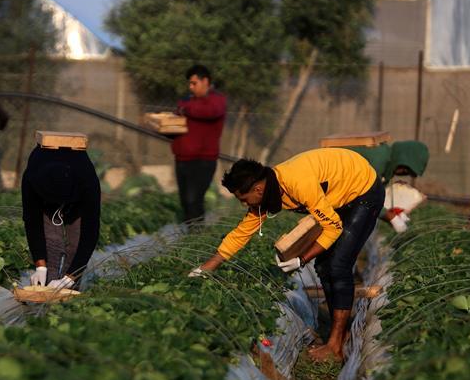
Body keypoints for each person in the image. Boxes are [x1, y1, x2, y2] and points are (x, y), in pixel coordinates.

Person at [189, 148, 384, 363]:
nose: (244, 205)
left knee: (338, 265)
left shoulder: (297, 183)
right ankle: (340, 334)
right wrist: (206, 268)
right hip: (338, 196)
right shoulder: (268, 192)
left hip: (363, 191)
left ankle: (336, 345)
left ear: (258, 188)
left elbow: (333, 228)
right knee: (323, 266)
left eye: (244, 199)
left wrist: (301, 259)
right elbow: (241, 234)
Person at [22, 143, 101, 290]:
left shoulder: (88, 183)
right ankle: (46, 288)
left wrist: (69, 279)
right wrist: (40, 267)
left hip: (75, 194)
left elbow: (90, 232)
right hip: (45, 187)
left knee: (76, 242)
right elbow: (32, 222)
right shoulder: (31, 179)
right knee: (52, 241)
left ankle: (69, 290)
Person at [171, 64, 227, 224]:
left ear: (205, 82)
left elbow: (208, 112)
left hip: (202, 161)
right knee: (185, 202)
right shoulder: (188, 101)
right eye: (190, 83)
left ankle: (196, 237)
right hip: (182, 159)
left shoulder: (216, 100)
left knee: (193, 200)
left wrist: (184, 108)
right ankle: (189, 236)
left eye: (194, 83)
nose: (191, 87)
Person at [351, 140, 429, 233]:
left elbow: (374, 198)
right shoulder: (378, 161)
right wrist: (390, 217)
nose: (404, 174)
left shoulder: (387, 166)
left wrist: (389, 214)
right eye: (406, 170)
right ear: (403, 161)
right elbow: (364, 198)